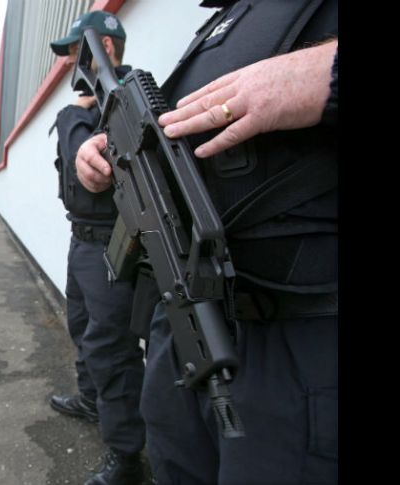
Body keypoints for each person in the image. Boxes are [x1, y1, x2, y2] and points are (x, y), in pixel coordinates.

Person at [75, 1, 338, 483]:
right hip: (184, 321)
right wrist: (107, 149)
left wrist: (329, 72)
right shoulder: (227, 19)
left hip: (296, 341)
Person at [48, 11, 152, 485]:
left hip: (116, 243)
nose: (71, 61)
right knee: (81, 326)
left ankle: (126, 456)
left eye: (76, 51)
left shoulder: (131, 97)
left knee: (111, 348)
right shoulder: (85, 107)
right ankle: (92, 400)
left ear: (104, 49)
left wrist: (82, 116)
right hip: (80, 240)